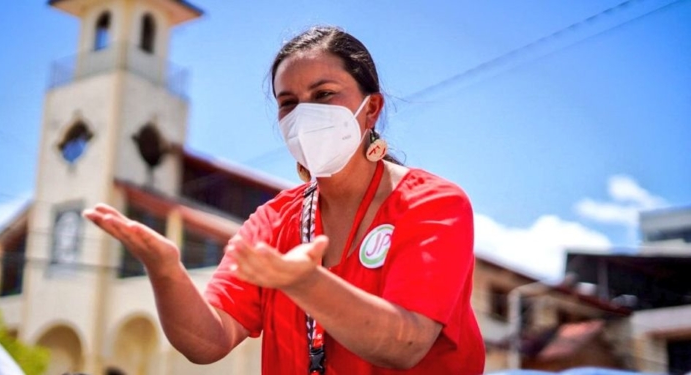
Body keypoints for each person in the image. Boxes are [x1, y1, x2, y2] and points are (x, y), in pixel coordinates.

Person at [83, 26, 484, 374]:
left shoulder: (433, 204)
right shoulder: (273, 221)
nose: (304, 115)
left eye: (323, 94)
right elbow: (209, 342)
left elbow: (405, 344)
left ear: (371, 109)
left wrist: (306, 284)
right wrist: (166, 271)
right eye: (288, 102)